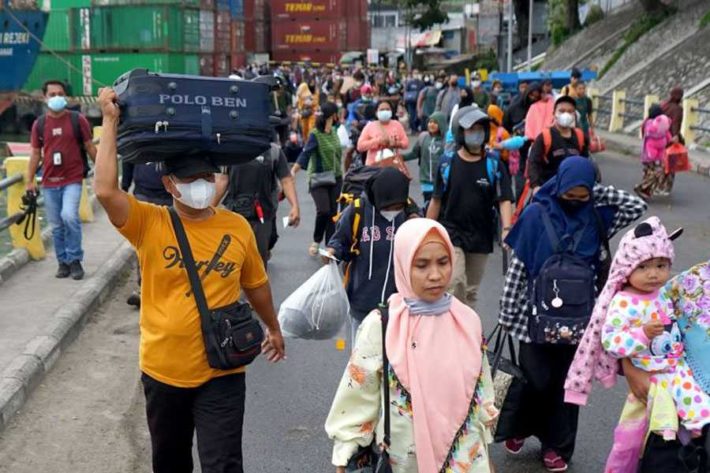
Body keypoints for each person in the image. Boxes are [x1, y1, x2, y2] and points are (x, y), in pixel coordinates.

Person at [93, 88, 285, 473]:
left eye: (206, 178)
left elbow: (256, 285)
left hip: (222, 371)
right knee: (170, 462)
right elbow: (105, 190)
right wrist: (110, 121)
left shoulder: (237, 227)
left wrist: (273, 326)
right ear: (169, 185)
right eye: (189, 179)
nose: (199, 186)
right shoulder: (149, 222)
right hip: (163, 372)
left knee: (224, 464)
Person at [496, 156, 646, 472]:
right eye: (570, 194)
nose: (577, 201)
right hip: (532, 320)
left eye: (583, 196)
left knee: (568, 385)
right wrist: (507, 314)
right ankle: (522, 427)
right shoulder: (536, 214)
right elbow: (519, 268)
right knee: (535, 379)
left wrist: (594, 191)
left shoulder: (596, 216)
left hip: (581, 322)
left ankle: (557, 447)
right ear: (559, 185)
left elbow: (635, 206)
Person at [325, 218, 498, 473]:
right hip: (405, 460)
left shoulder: (466, 320)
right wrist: (345, 455)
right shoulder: (383, 325)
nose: (436, 275)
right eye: (422, 265)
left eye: (443, 262)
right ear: (403, 265)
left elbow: (481, 390)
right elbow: (358, 394)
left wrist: (484, 453)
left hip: (465, 459)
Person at [426, 107, 514, 309]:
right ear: (460, 132)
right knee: (455, 282)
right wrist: (427, 231)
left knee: (471, 291)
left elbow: (504, 199)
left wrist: (507, 229)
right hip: (451, 232)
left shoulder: (493, 164)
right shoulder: (447, 163)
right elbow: (436, 200)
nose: (476, 133)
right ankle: (454, 328)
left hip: (481, 235)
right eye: (470, 129)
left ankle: (467, 332)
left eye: (480, 129)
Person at [325, 168, 414, 342]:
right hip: (362, 300)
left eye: (397, 207)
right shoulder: (357, 211)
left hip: (399, 305)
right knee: (363, 360)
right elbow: (339, 241)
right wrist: (332, 252)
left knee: (394, 359)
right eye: (388, 207)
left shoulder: (409, 212)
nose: (392, 211)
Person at [27, 80, 97, 280]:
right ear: (44, 97)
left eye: (60, 93)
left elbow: (90, 147)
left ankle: (75, 259)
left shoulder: (78, 120)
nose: (56, 97)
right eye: (52, 94)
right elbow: (35, 154)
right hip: (49, 182)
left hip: (72, 179)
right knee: (56, 225)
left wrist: (102, 170)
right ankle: (63, 262)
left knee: (69, 216)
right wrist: (29, 180)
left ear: (65, 96)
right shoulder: (39, 125)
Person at [215, 144, 300, 267]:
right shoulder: (231, 147)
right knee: (233, 263)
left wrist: (295, 206)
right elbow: (223, 180)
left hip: (262, 216)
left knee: (258, 264)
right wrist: (208, 209)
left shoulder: (273, 151)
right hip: (234, 215)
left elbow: (286, 179)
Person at [292, 102, 343, 257]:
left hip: (336, 178)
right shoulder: (315, 134)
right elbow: (305, 154)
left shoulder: (335, 131)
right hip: (318, 178)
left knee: (333, 213)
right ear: (332, 115)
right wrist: (293, 171)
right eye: (337, 113)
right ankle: (316, 240)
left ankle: (329, 247)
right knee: (323, 210)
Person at [121, 161, 173, 308]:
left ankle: (168, 287)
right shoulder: (141, 137)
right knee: (144, 244)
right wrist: (124, 186)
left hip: (171, 195)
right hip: (143, 195)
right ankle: (144, 288)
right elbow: (129, 158)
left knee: (170, 245)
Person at [527, 95, 589, 190]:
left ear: (574, 115)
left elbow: (585, 162)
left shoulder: (580, 136)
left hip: (573, 189)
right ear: (554, 113)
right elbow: (533, 163)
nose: (566, 114)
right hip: (549, 188)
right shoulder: (545, 137)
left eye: (570, 111)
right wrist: (535, 186)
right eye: (562, 111)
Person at [404, 112, 447, 204]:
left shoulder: (446, 141)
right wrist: (400, 157)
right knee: (428, 204)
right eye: (430, 122)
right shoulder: (423, 137)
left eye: (435, 122)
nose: (431, 124)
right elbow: (414, 154)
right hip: (426, 181)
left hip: (442, 182)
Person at [634, 105, 672, 201]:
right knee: (657, 172)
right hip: (652, 155)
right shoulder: (653, 124)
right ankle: (642, 187)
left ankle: (646, 191)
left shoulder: (647, 123)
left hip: (647, 154)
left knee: (649, 172)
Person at [356, 100, 409, 166]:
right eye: (382, 110)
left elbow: (406, 143)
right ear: (376, 112)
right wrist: (377, 141)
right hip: (374, 166)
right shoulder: (370, 126)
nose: (385, 111)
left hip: (393, 165)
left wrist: (396, 143)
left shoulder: (397, 125)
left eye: (387, 109)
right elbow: (360, 146)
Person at [658, 87, 684, 195]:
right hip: (671, 139)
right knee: (671, 164)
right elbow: (675, 124)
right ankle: (666, 188)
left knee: (661, 163)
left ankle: (658, 185)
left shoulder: (663, 105)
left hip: (660, 138)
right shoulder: (677, 109)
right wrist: (675, 136)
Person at [296, 75, 319, 140]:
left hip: (312, 113)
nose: (312, 84)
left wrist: (310, 103)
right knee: (304, 129)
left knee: (311, 129)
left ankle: (309, 142)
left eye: (313, 83)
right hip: (303, 113)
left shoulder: (316, 91)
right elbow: (299, 101)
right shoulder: (304, 90)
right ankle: (305, 143)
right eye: (311, 83)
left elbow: (316, 102)